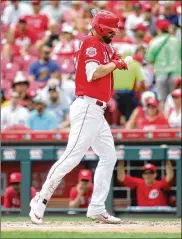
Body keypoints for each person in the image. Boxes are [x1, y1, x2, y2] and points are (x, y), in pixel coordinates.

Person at [29, 10, 128, 225]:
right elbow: (94, 73)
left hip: (96, 111)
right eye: (111, 31)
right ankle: (40, 199)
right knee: (71, 157)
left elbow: (105, 61)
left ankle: (97, 208)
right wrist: (115, 64)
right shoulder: (92, 42)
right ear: (101, 28)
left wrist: (113, 59)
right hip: (87, 108)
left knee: (109, 156)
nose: (114, 34)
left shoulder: (100, 44)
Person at [145, 18, 181, 110]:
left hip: (161, 73)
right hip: (175, 73)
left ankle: (164, 121)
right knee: (177, 99)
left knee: (162, 100)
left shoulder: (154, 41)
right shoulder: (176, 40)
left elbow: (149, 59)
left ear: (158, 29)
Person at [114, 55, 145, 121]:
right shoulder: (135, 64)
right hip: (129, 93)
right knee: (130, 112)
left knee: (120, 113)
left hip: (115, 93)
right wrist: (137, 90)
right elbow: (141, 80)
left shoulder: (115, 63)